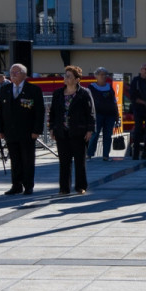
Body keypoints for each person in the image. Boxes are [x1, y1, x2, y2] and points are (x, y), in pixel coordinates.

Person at [0, 63, 45, 196]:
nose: (13, 75)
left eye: (16, 72)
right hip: (10, 132)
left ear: (24, 74)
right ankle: (16, 185)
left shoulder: (33, 90)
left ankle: (28, 185)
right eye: (11, 72)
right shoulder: (5, 89)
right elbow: (0, 111)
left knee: (27, 160)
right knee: (15, 160)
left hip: (28, 132)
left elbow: (39, 112)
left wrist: (37, 130)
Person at [47, 65, 96, 195]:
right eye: (65, 76)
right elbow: (52, 112)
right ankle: (64, 188)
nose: (66, 78)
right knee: (64, 161)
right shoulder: (58, 93)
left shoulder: (84, 93)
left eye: (69, 76)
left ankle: (80, 186)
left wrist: (90, 130)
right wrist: (51, 127)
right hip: (62, 132)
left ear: (77, 79)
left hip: (79, 132)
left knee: (80, 161)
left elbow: (90, 112)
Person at [86, 68, 120, 161]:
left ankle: (105, 155)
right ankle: (89, 154)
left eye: (105, 74)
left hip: (110, 115)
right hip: (97, 115)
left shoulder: (109, 87)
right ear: (96, 76)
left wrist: (117, 115)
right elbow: (87, 102)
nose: (103, 76)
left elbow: (114, 102)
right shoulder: (91, 87)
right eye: (101, 74)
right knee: (95, 134)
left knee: (108, 135)